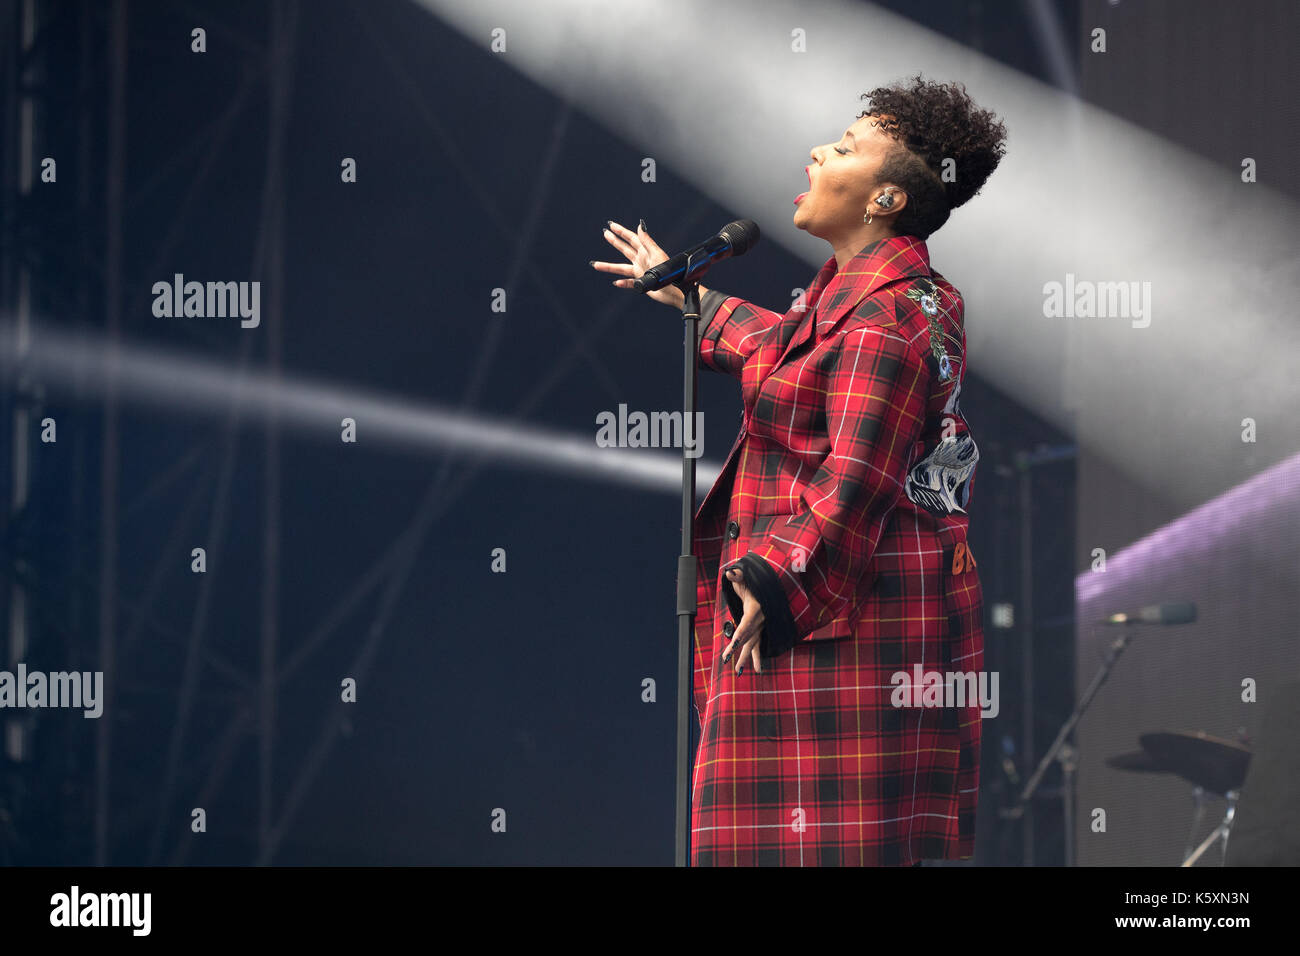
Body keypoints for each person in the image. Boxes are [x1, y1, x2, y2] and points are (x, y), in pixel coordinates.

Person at [593, 75, 1007, 865]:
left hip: (835, 623)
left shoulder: (882, 318)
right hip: (841, 611)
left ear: (885, 198)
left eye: (846, 148)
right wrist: (694, 298)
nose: (820, 152)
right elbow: (789, 356)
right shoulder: (875, 300)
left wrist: (778, 575)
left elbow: (859, 476)